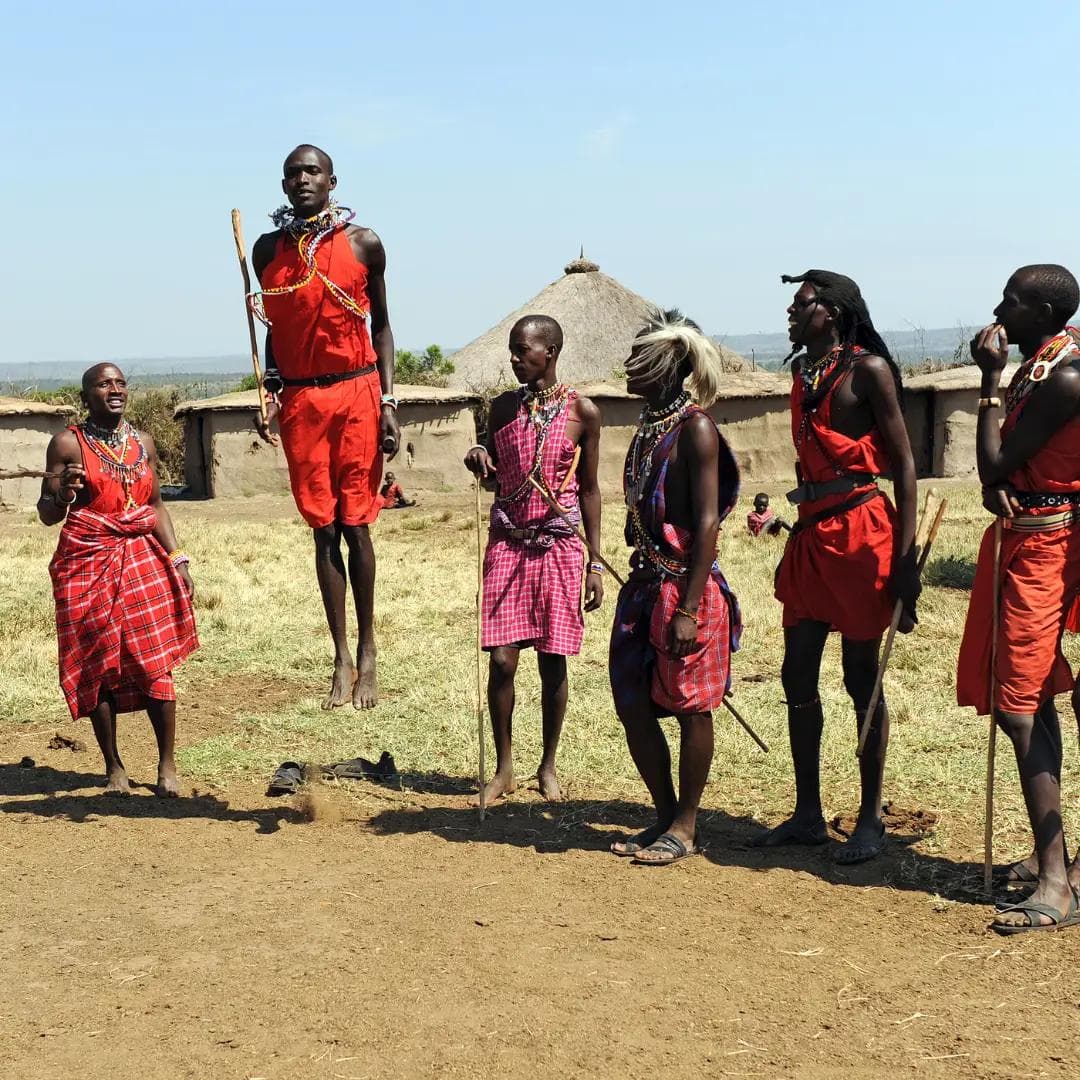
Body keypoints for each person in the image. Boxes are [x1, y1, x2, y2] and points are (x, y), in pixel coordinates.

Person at [758, 271, 919, 864]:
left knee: (860, 680)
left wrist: (905, 562)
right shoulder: (803, 373)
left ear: (831, 311)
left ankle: (871, 819)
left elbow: (903, 464)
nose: (791, 313)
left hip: (860, 533)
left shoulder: (867, 371)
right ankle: (807, 813)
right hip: (811, 535)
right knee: (796, 673)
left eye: (801, 305)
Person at [251, 144, 399, 710]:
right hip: (301, 403)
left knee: (357, 524)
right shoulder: (267, 250)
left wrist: (388, 400)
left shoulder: (364, 244)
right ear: (283, 186)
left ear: (333, 181)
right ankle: (338, 653)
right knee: (322, 528)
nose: (302, 179)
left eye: (312, 170)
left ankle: (367, 652)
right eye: (292, 173)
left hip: (358, 391)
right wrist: (270, 384)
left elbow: (382, 327)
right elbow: (276, 325)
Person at [956, 264, 1080, 933]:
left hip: (1049, 543)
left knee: (1021, 707)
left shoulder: (1062, 375)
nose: (999, 308)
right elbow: (998, 470)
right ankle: (1057, 862)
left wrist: (984, 381)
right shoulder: (1045, 364)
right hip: (1036, 534)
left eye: (1013, 300)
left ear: (1045, 310)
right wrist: (994, 477)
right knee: (1030, 703)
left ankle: (1057, 883)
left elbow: (995, 463)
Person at [608, 309, 742, 865]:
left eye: (640, 358)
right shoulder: (650, 427)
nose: (628, 366)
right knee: (632, 702)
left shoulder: (697, 429)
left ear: (668, 365)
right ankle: (663, 815)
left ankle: (686, 826)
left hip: (686, 589)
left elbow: (708, 522)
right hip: (644, 585)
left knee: (691, 708)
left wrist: (688, 608)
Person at [38, 364, 198, 797]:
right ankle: (114, 766)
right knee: (95, 664)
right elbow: (48, 513)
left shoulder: (142, 442)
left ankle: (167, 764)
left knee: (152, 659)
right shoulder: (68, 442)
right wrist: (63, 494)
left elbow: (158, 504)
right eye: (104, 384)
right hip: (85, 559)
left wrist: (177, 556)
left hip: (142, 555)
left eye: (121, 383)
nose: (115, 390)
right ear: (87, 395)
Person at [464, 315, 604, 803]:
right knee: (502, 660)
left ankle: (547, 765)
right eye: (512, 350)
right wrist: (478, 453)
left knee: (552, 660)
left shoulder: (583, 412)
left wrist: (595, 563)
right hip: (508, 538)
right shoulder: (502, 407)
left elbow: (589, 489)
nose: (514, 358)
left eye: (523, 350)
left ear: (551, 352)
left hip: (559, 545)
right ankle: (503, 769)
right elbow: (491, 465)